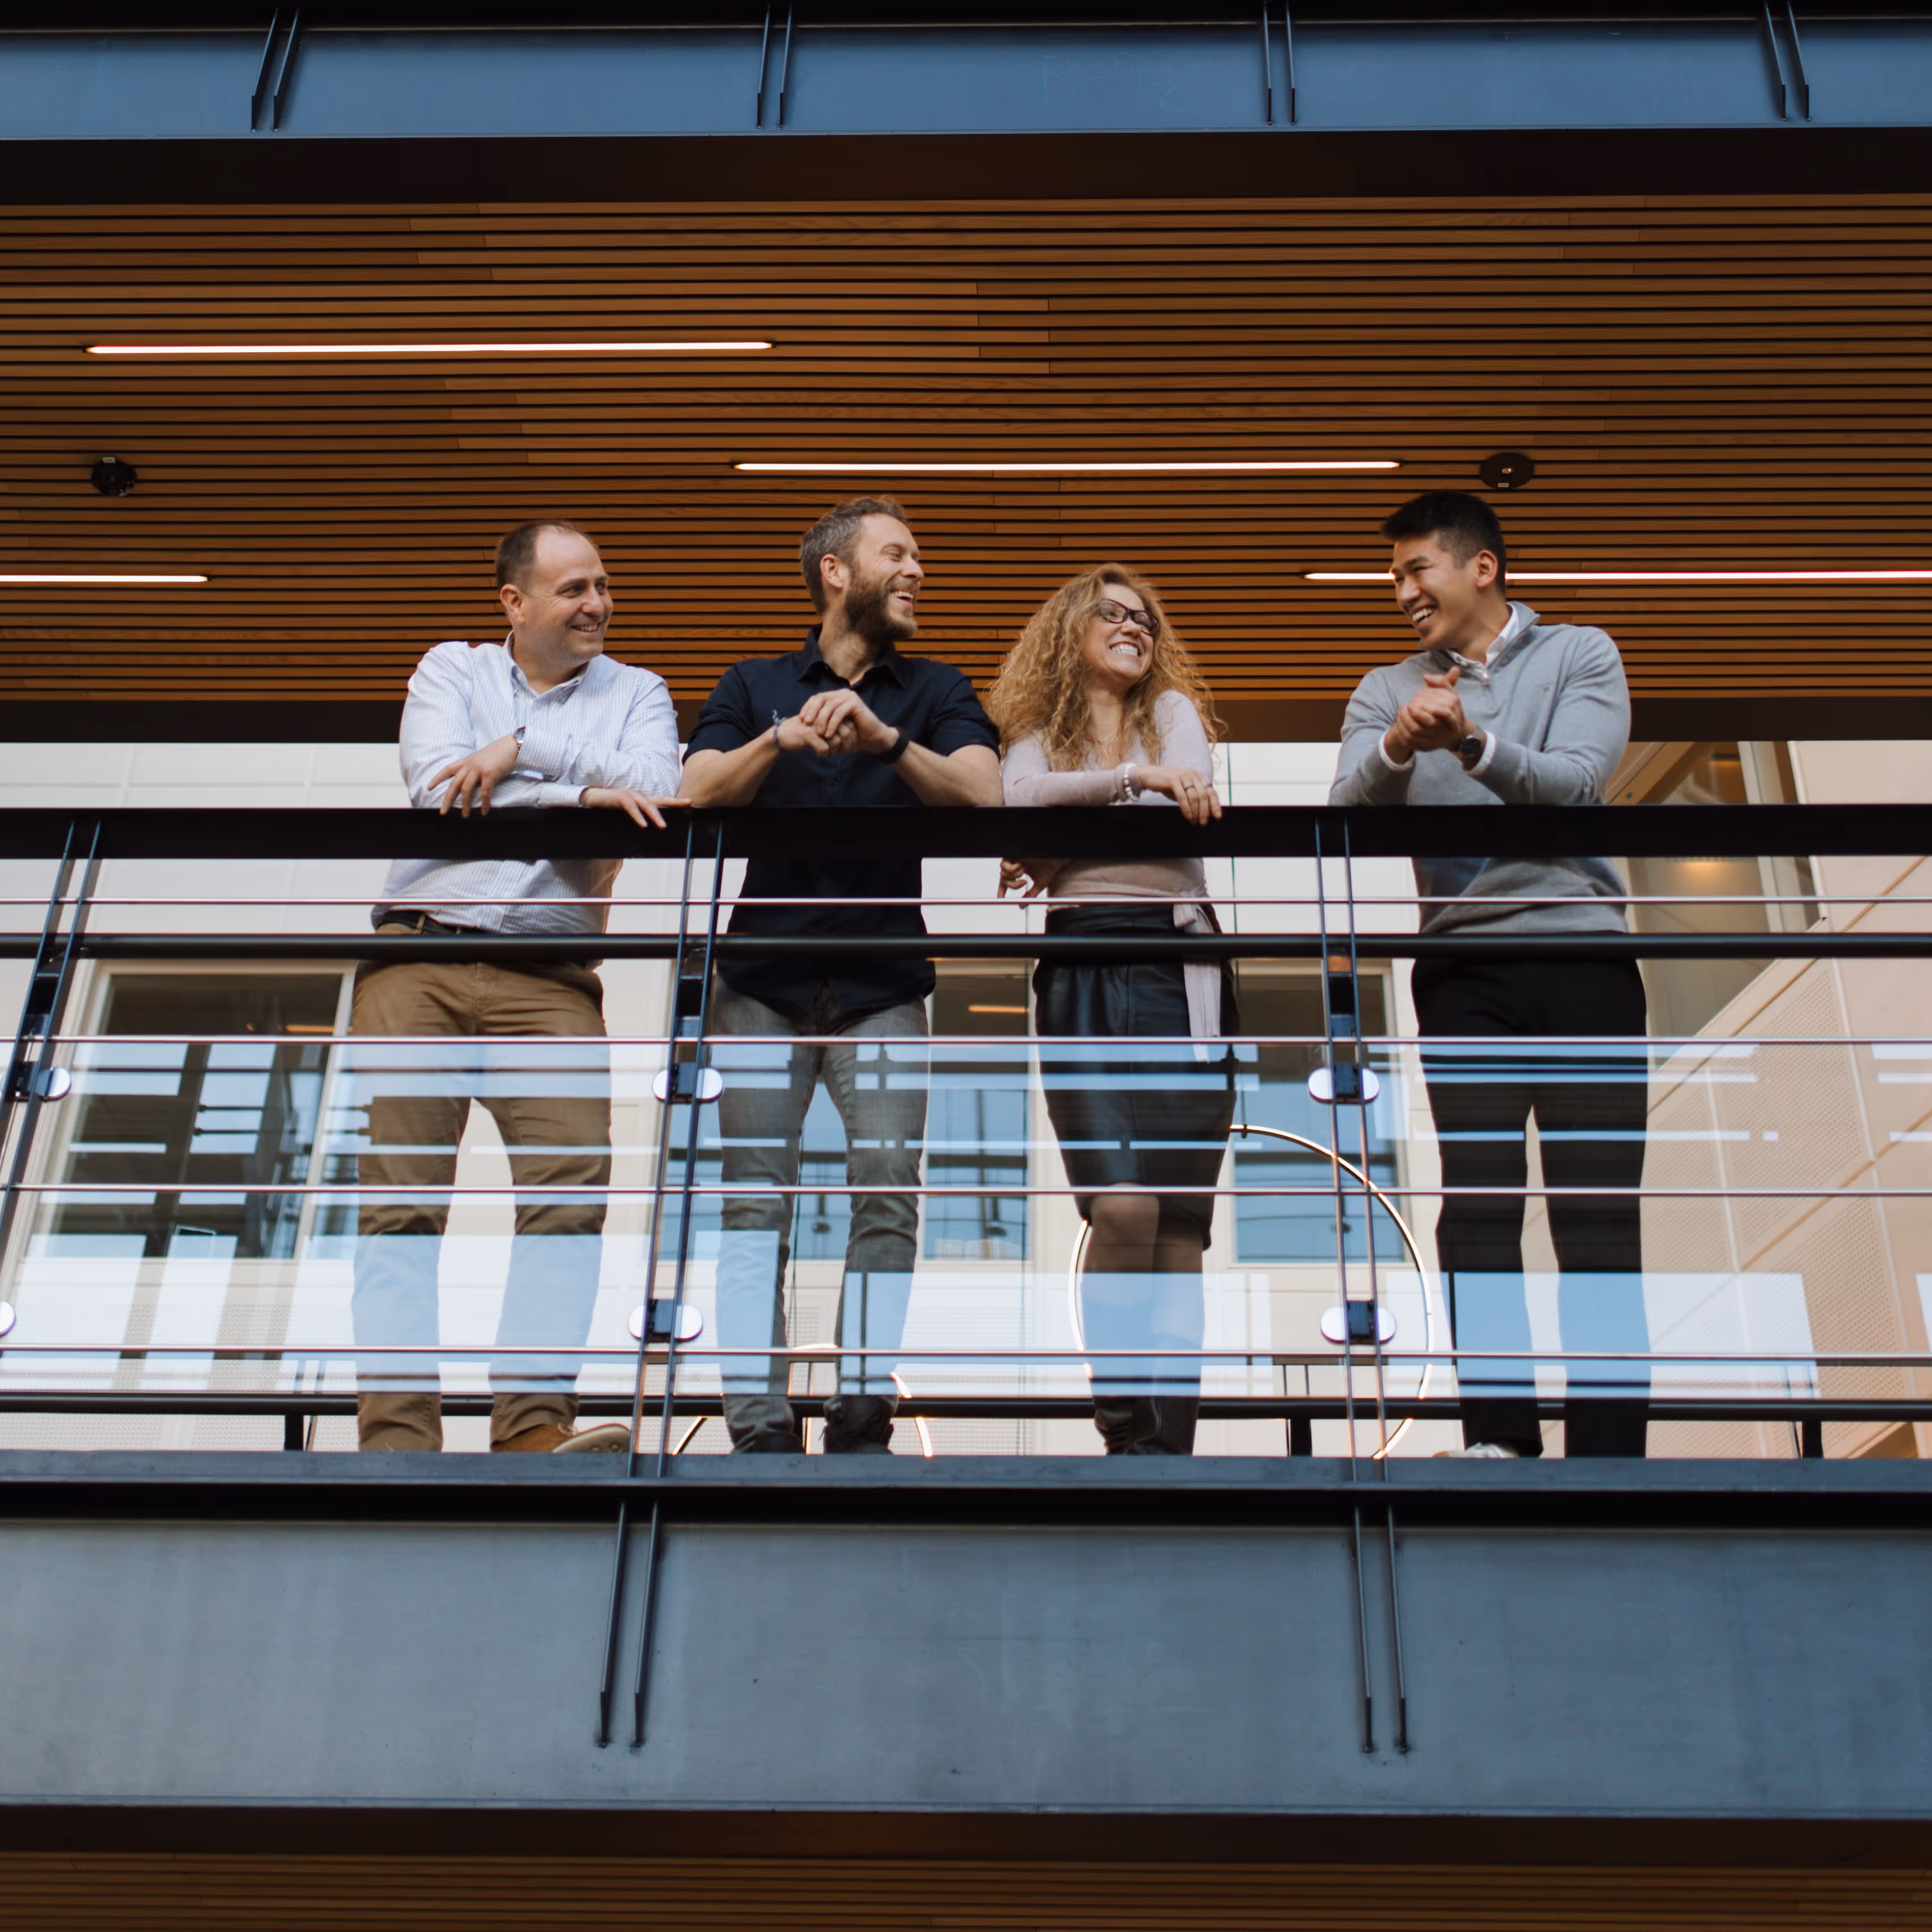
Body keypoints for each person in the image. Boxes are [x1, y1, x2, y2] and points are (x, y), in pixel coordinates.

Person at [351, 520, 684, 1453]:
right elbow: (439, 788)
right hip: (418, 963)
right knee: (402, 1205)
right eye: (575, 588)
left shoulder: (640, 692)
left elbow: (659, 788)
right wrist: (579, 792)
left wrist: (520, 753)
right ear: (515, 602)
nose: (598, 605)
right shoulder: (450, 672)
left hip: (553, 980)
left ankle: (534, 1434)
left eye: (605, 587)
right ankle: (397, 1444)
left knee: (570, 1203)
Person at [1329, 490, 1649, 1459]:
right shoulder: (1387, 689)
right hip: (1462, 968)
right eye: (1394, 577)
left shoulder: (1580, 654)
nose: (1401, 593)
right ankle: (1500, 1438)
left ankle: (1608, 1452)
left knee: (1595, 1207)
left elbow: (1579, 783)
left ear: (1482, 567)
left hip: (1582, 956)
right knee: (1478, 1202)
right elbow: (1344, 807)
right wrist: (1398, 744)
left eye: (1415, 570)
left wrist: (1472, 742)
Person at [679, 496, 1001, 1454]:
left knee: (888, 1191)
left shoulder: (936, 689)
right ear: (835, 571)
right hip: (761, 984)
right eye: (896, 554)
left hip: (882, 986)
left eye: (918, 556)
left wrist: (886, 740)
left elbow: (985, 797)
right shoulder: (753, 682)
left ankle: (862, 1413)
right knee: (751, 1200)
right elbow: (692, 792)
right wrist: (778, 740)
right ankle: (759, 1426)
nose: (916, 572)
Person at [991, 565, 1236, 1456]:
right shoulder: (1031, 729)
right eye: (1114, 613)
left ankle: (1171, 1448)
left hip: (1183, 964)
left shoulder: (1172, 711)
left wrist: (1078, 825)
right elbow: (1018, 801)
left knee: (1178, 1221)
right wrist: (1138, 781)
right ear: (1071, 628)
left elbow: (1193, 800)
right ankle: (1123, 1421)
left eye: (1147, 617)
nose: (1135, 627)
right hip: (1086, 962)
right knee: (1123, 1206)